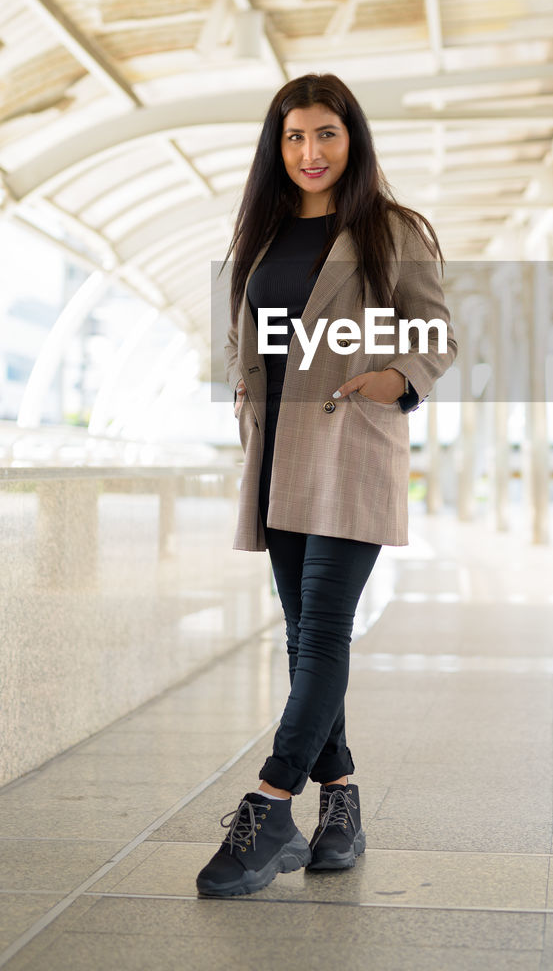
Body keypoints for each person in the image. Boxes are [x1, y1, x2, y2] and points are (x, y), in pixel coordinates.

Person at [196, 74, 457, 899]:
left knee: (323, 634)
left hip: (348, 445)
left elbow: (437, 333)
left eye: (326, 135)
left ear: (354, 140)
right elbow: (246, 342)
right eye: (294, 137)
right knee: (304, 637)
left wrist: (395, 379)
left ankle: (272, 803)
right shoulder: (262, 235)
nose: (310, 153)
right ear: (278, 147)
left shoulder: (393, 229)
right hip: (276, 459)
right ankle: (339, 806)